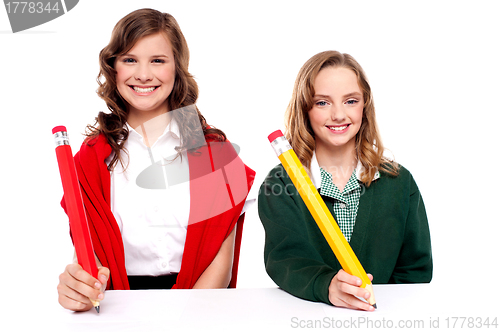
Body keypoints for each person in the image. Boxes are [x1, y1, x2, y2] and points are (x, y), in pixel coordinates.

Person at [57, 8, 255, 312]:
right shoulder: (91, 158)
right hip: (117, 308)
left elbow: (220, 265)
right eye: (130, 60)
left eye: (158, 61)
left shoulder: (216, 153)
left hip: (198, 308)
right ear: (114, 68)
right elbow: (89, 253)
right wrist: (81, 287)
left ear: (177, 68)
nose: (144, 74)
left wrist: (182, 320)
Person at [258, 51, 432, 311]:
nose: (338, 115)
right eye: (322, 103)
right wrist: (325, 285)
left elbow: (414, 271)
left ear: (365, 106)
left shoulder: (399, 182)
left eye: (350, 101)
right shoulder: (281, 184)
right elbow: (285, 261)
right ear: (304, 108)